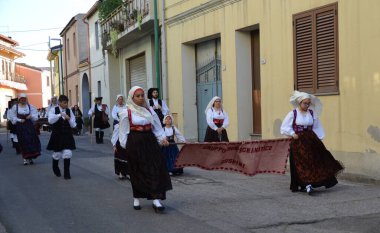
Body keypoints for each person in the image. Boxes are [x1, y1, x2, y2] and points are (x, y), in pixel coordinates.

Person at [119, 86, 172, 213]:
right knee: (137, 171)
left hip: (150, 141)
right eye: (138, 96)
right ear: (132, 98)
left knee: (154, 168)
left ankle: (156, 199)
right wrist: (127, 147)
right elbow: (123, 132)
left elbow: (157, 128)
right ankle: (136, 197)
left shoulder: (150, 111)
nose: (141, 98)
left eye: (142, 95)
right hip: (135, 142)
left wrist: (162, 138)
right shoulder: (126, 112)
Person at [280, 91, 344, 195]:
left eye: (308, 103)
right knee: (302, 162)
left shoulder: (312, 113)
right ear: (300, 102)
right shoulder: (293, 113)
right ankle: (306, 183)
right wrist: (292, 133)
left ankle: (312, 182)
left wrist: (319, 138)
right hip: (298, 142)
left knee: (315, 160)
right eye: (305, 103)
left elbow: (316, 126)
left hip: (310, 140)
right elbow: (284, 127)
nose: (307, 105)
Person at [47, 95, 76, 179]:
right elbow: (50, 120)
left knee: (68, 153)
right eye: (64, 103)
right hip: (57, 135)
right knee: (57, 154)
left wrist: (69, 119)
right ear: (59, 102)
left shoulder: (69, 111)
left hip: (67, 135)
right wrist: (60, 115)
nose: (66, 104)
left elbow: (73, 125)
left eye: (67, 103)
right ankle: (55, 167)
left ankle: (67, 174)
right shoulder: (53, 110)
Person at [8, 93, 41, 165]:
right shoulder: (15, 107)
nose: (23, 100)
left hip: (29, 126)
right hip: (20, 127)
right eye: (22, 99)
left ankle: (31, 158)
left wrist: (31, 116)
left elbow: (35, 116)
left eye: (24, 99)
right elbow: (12, 117)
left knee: (31, 141)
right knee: (23, 142)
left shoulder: (30, 106)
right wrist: (19, 120)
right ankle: (25, 158)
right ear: (19, 100)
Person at [111, 94, 128, 180]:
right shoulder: (115, 107)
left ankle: (127, 172)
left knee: (127, 156)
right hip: (119, 140)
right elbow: (115, 135)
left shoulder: (126, 107)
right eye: (119, 99)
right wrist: (114, 145)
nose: (120, 101)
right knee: (120, 156)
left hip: (125, 141)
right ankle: (121, 172)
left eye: (122, 99)